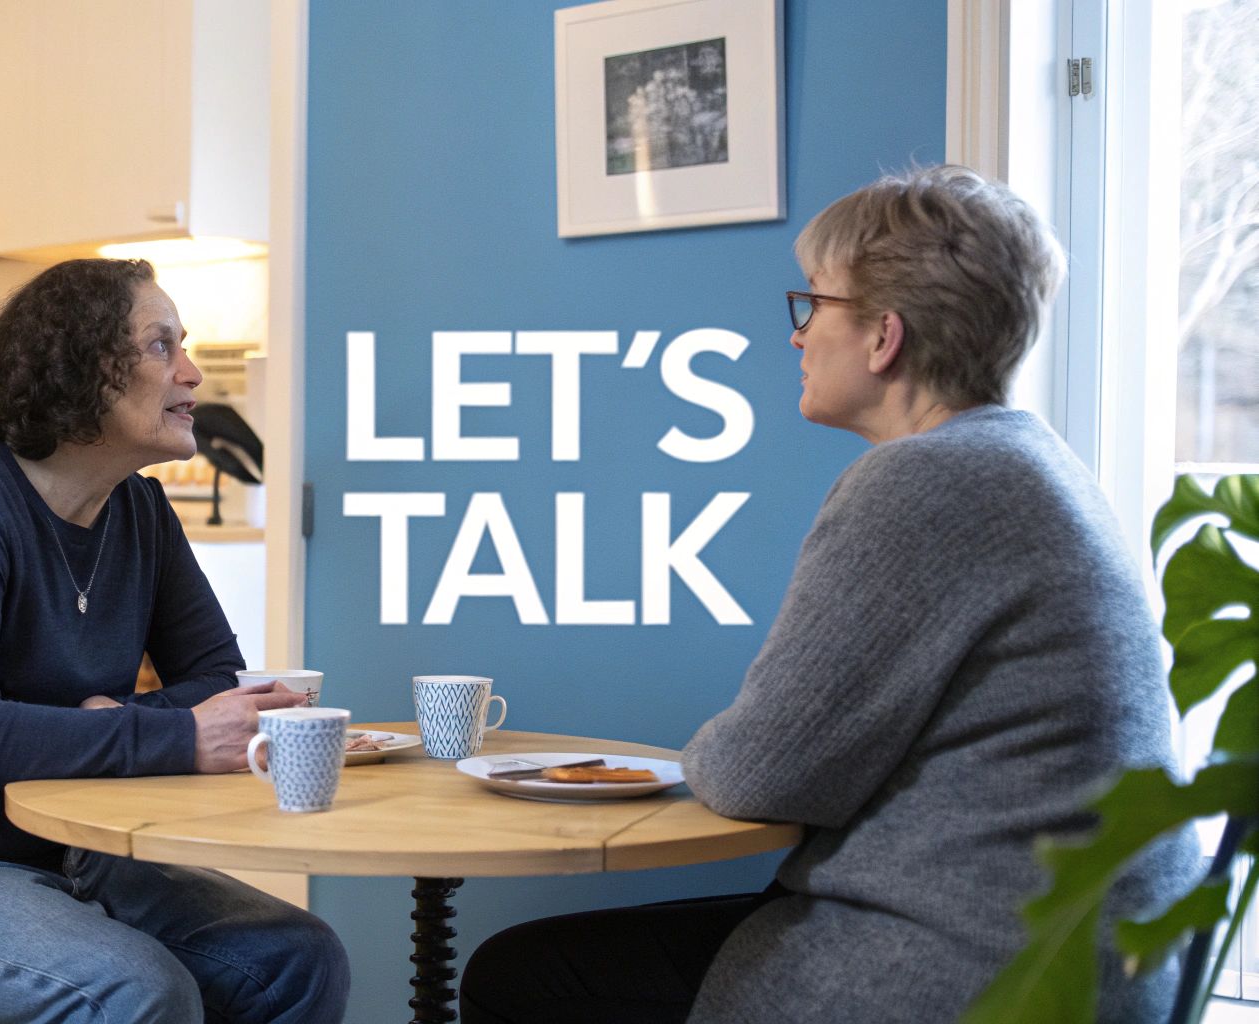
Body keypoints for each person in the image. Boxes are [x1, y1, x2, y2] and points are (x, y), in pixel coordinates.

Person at [459, 165, 1200, 1023]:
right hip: (1076, 946)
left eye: (812, 306)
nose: (798, 336)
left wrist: (714, 748)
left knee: (524, 978)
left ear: (884, 336)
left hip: (971, 964)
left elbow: (756, 773)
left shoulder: (926, 482)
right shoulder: (1026, 463)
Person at [0, 258, 350, 1024]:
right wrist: (166, 732)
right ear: (80, 370)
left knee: (297, 958)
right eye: (162, 347)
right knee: (140, 990)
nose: (191, 375)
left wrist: (123, 723)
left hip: (62, 850)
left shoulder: (142, 513)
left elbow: (217, 681)